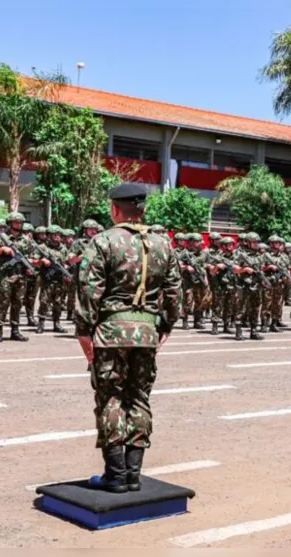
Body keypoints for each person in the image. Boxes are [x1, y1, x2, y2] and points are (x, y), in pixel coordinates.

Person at [76, 182, 181, 493]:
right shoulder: (164, 245)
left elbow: (88, 290)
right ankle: (134, 474)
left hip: (109, 334)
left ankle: (116, 475)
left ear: (114, 209)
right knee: (139, 398)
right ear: (143, 210)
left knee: (110, 399)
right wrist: (165, 327)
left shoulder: (102, 242)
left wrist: (84, 331)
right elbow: (174, 293)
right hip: (146, 334)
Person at [0, 212, 37, 342]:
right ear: (10, 223)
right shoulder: (0, 238)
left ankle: (15, 331)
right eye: (16, 222)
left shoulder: (26, 240)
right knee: (3, 303)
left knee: (17, 304)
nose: (19, 224)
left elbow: (33, 257)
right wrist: (2, 250)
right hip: (5, 276)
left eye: (21, 222)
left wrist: (30, 264)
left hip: (21, 276)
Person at [35, 225, 70, 334]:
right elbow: (33, 261)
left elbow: (67, 261)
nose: (57, 237)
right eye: (54, 235)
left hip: (59, 280)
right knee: (44, 302)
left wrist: (65, 267)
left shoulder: (63, 249)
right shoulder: (42, 247)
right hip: (47, 279)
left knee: (58, 303)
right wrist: (42, 261)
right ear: (49, 236)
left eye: (59, 235)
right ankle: (41, 323)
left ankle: (57, 323)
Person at [233, 232, 264, 341]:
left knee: (255, 309)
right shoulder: (241, 254)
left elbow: (261, 269)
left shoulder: (259, 256)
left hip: (256, 286)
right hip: (244, 286)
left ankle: (254, 331)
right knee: (241, 309)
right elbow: (234, 268)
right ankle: (238, 331)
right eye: (254, 242)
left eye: (257, 242)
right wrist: (244, 269)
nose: (256, 244)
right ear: (248, 242)